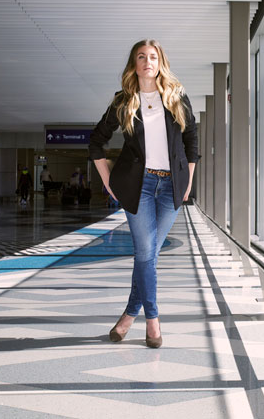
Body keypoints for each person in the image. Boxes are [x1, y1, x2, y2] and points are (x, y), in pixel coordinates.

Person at [89, 39, 198, 348]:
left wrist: (188, 181)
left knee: (147, 255)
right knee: (145, 254)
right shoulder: (123, 101)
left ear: (160, 62)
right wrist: (108, 180)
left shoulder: (177, 97)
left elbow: (192, 141)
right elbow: (96, 141)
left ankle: (127, 316)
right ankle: (153, 321)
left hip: (171, 187)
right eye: (141, 56)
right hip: (139, 186)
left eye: (153, 56)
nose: (148, 61)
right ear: (134, 64)